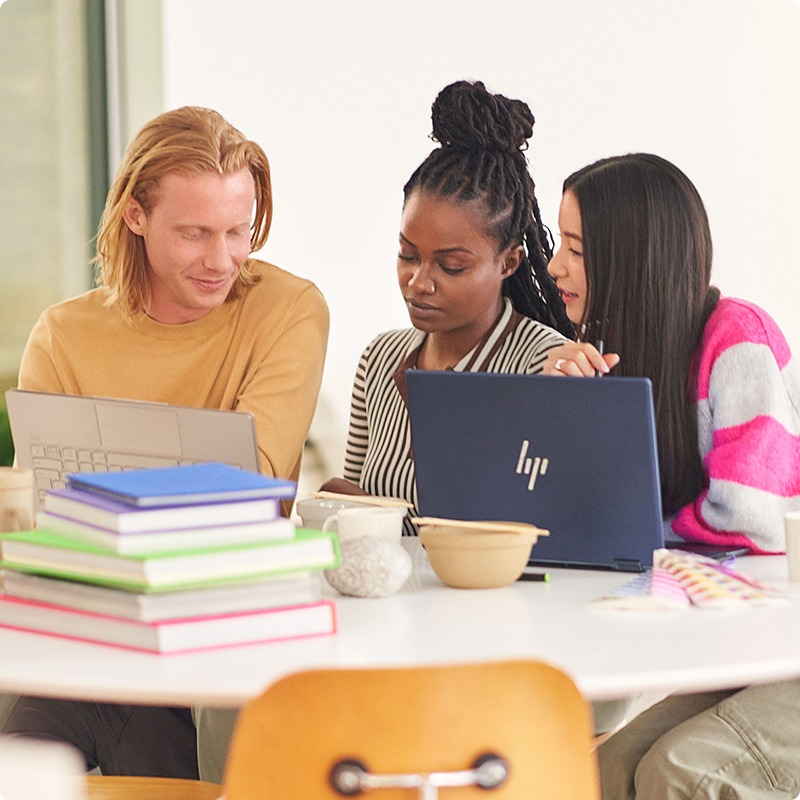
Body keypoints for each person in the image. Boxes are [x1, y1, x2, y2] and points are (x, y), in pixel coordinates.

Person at [2, 106, 329, 779]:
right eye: (194, 233)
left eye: (239, 231)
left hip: (231, 630)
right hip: (97, 633)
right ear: (136, 216)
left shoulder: (289, 309)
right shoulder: (63, 336)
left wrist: (111, 496)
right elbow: (46, 523)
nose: (223, 260)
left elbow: (256, 488)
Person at [542, 152, 800, 799]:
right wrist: (572, 414)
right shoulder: (622, 358)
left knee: (677, 774)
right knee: (599, 772)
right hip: (747, 633)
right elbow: (583, 523)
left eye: (575, 247)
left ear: (629, 255)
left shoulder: (738, 337)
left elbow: (751, 516)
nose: (554, 268)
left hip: (783, 643)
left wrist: (632, 517)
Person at [322, 80, 572, 527]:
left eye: (451, 266)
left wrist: (375, 515)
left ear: (509, 262)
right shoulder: (379, 360)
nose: (418, 282)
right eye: (407, 255)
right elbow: (355, 517)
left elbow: (525, 529)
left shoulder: (545, 365)